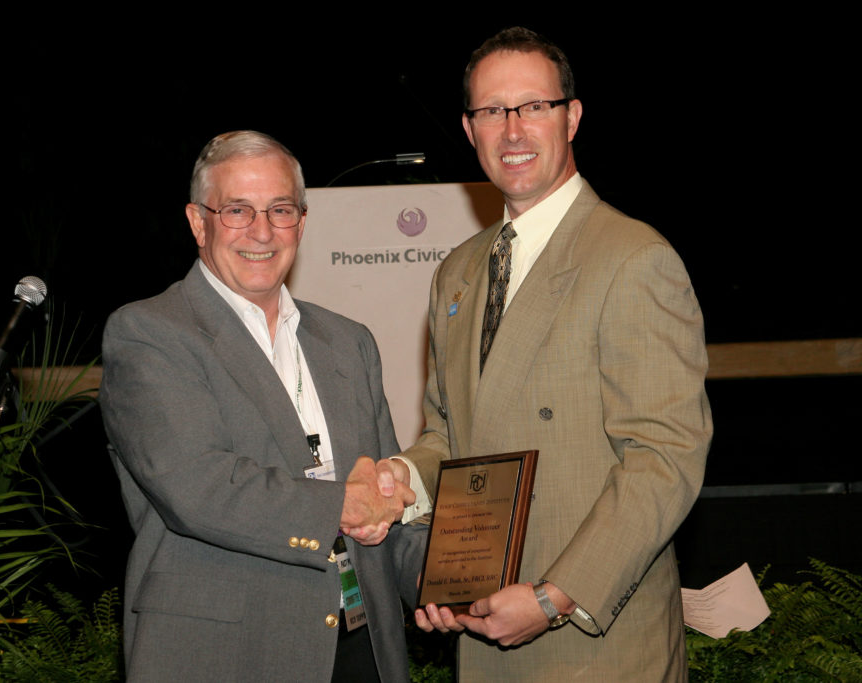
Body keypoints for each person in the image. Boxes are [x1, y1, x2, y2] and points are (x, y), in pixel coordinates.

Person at [377, 27, 713, 682]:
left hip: (596, 647)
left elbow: (665, 458)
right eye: (491, 112)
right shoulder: (458, 273)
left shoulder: (632, 258)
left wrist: (554, 595)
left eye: (533, 106)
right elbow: (451, 434)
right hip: (486, 636)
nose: (512, 130)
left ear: (573, 117)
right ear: (469, 130)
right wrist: (402, 487)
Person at [100, 130, 424, 682]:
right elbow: (199, 487)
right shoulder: (150, 333)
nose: (262, 231)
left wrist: (454, 586)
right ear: (198, 222)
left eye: (279, 209)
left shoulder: (349, 342)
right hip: (226, 654)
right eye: (237, 211)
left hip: (361, 650)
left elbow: (388, 499)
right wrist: (343, 507)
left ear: (301, 219)